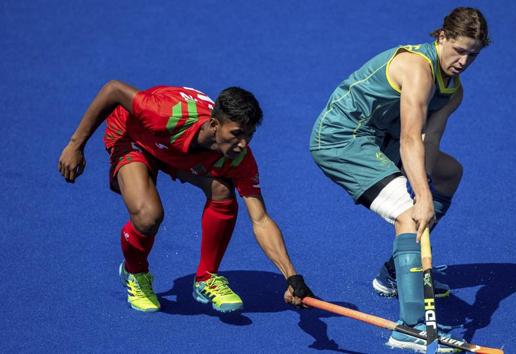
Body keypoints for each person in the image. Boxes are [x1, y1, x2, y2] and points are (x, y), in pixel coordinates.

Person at [309, 7, 489, 352]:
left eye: (473, 54)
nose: (464, 61)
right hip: (343, 138)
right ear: (441, 37)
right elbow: (409, 138)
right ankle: (410, 329)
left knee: (449, 174)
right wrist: (420, 197)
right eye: (460, 50)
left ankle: (396, 274)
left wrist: (426, 185)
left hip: (381, 138)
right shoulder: (418, 69)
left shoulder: (453, 90)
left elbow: (428, 141)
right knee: (408, 213)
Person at [59, 81, 313, 313]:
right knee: (149, 217)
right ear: (214, 125)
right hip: (135, 136)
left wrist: (291, 276)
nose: (243, 143)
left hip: (178, 151)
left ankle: (206, 278)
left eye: (249, 135)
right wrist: (75, 145)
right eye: (237, 133)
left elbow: (260, 219)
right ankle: (135, 273)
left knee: (222, 190)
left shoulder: (239, 159)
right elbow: (113, 89)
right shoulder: (163, 114)